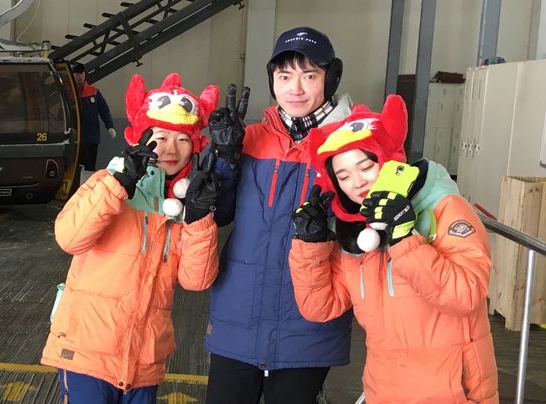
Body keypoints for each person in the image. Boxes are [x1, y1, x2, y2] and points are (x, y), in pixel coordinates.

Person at [289, 95, 499, 403]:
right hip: (383, 389)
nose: (357, 183)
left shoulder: (445, 209)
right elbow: (320, 307)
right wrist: (311, 244)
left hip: (453, 391)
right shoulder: (353, 233)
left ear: (388, 161)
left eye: (365, 166)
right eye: (343, 176)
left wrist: (404, 238)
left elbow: (466, 294)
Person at [42, 73, 221, 403]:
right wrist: (117, 183)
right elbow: (69, 238)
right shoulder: (107, 182)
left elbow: (196, 280)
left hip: (143, 361)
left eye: (182, 139)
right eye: (161, 136)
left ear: (195, 146)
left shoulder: (184, 206)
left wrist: (199, 219)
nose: (170, 148)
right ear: (142, 137)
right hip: (86, 353)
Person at [204, 26, 354, 403]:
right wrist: (223, 158)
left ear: (330, 78)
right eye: (284, 76)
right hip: (238, 316)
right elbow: (217, 214)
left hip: (308, 321)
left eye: (310, 75)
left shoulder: (351, 145)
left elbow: (364, 232)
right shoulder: (249, 138)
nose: (296, 88)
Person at [73, 63, 117, 171]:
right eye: (78, 73)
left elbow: (104, 110)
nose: (81, 76)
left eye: (82, 73)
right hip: (77, 138)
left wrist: (109, 126)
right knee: (81, 164)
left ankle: (88, 185)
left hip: (93, 137)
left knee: (91, 165)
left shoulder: (93, 91)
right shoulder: (69, 93)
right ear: (73, 75)